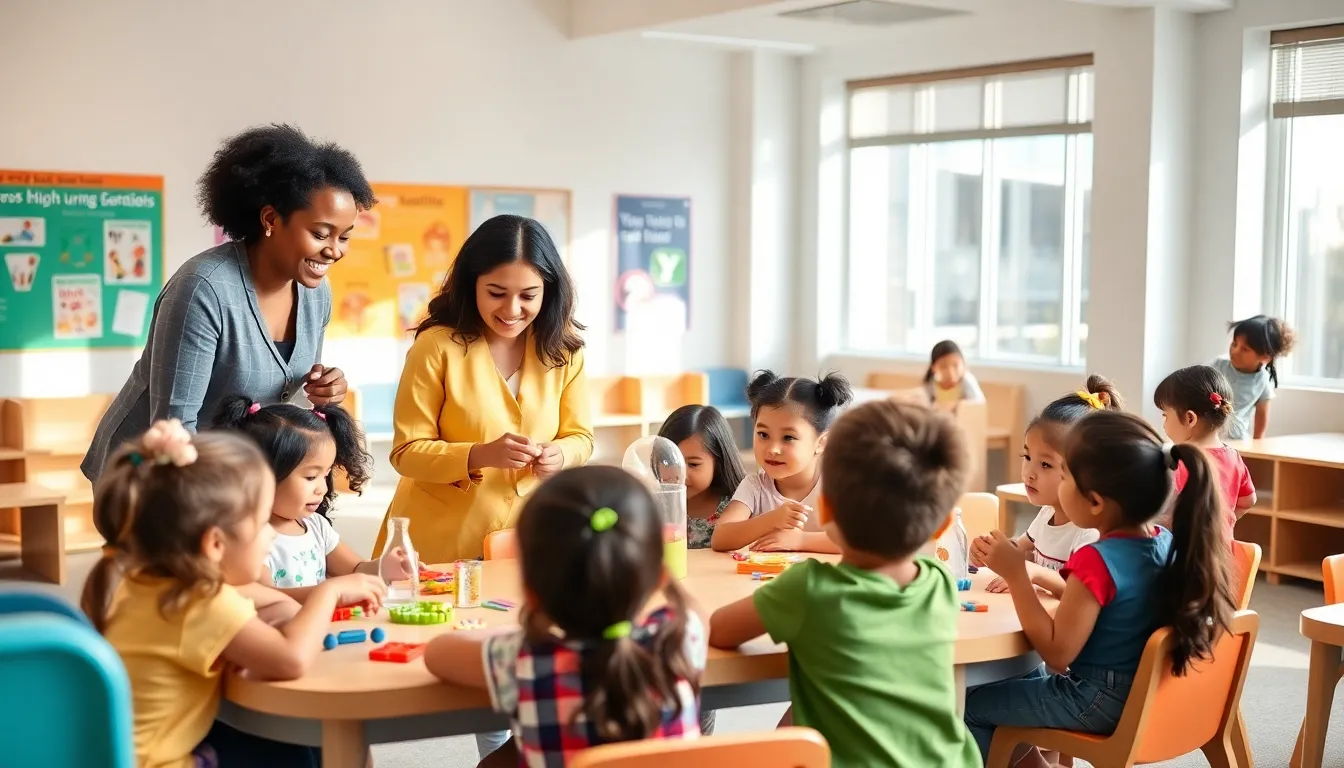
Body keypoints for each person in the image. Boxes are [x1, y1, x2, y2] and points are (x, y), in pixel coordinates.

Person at [81, 420, 387, 768]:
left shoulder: (149, 581)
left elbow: (258, 596)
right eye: (261, 525)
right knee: (307, 743)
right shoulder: (202, 603)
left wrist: (281, 604)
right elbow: (290, 659)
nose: (271, 536)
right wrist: (329, 593)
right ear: (214, 544)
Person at [82, 124, 376, 483]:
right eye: (320, 233)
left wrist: (326, 390)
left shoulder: (317, 293)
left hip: (239, 471)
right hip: (152, 476)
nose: (334, 250)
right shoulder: (203, 288)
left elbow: (287, 398)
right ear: (270, 219)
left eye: (344, 236)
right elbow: (175, 426)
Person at [708, 400, 980, 768]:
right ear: (942, 526)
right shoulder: (939, 584)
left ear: (826, 509)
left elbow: (720, 631)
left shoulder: (809, 589)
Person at [964, 411, 1235, 766]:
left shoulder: (1095, 560)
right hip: (1149, 695)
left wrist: (1017, 575)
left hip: (1096, 700)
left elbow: (1057, 655)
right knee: (1020, 674)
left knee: (972, 705)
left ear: (1094, 501)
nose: (1060, 487)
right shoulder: (1164, 542)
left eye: (1065, 478)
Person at [424, 465, 707, 768]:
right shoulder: (678, 637)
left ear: (530, 592)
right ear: (659, 577)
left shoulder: (523, 659)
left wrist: (509, 635)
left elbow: (436, 653)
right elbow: (697, 615)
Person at [380, 214, 593, 564]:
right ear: (472, 284)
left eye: (528, 295)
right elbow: (406, 452)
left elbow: (581, 437)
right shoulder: (436, 347)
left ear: (548, 291)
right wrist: (479, 455)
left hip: (527, 537)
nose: (511, 310)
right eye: (496, 293)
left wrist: (561, 455)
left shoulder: (564, 351)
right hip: (436, 545)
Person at [212, 397, 413, 598]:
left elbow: (355, 569)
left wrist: (385, 567)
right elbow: (269, 599)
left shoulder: (316, 526)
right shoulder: (250, 538)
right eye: (310, 477)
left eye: (326, 475)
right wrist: (331, 592)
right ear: (259, 475)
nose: (322, 489)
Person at [969, 375, 1123, 594]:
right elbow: (1021, 549)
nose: (1029, 473)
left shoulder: (1089, 531)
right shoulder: (1047, 513)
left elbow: (1079, 592)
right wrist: (994, 550)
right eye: (1027, 456)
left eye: (1046, 464)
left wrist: (1033, 573)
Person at [710, 371, 851, 554]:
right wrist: (771, 520)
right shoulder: (755, 487)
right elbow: (721, 538)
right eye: (763, 435)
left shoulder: (830, 488)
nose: (773, 449)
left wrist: (800, 540)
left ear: (821, 443)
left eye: (788, 437)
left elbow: (854, 541)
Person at [1155, 365, 1256, 539]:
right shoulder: (1233, 457)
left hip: (1184, 558)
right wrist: (1225, 521)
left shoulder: (1180, 460)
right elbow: (1248, 500)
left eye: (1165, 415)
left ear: (1190, 418)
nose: (1164, 424)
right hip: (1221, 556)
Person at [657, 404, 748, 551]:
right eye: (670, 461)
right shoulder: (652, 504)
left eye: (693, 464)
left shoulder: (738, 507)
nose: (680, 474)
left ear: (718, 462)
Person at [1212, 314, 1295, 440]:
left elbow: (1262, 414)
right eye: (1234, 344)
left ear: (1265, 356)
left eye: (1245, 349)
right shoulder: (1218, 366)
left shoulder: (1263, 381)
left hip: (1237, 440)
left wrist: (1258, 441)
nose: (1235, 351)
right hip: (1209, 433)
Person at [923, 339, 984, 411]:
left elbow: (979, 404)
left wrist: (957, 405)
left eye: (955, 365)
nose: (950, 372)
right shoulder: (932, 385)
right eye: (943, 366)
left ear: (963, 364)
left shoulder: (966, 381)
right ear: (934, 368)